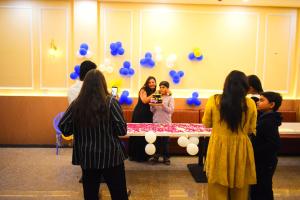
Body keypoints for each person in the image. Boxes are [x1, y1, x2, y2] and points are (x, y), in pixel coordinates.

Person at [59, 69, 129, 200]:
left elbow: (64, 127)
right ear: (103, 84)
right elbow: (122, 130)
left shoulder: (77, 104)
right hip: (111, 156)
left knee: (90, 195)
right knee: (119, 194)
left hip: (87, 157)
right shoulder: (111, 102)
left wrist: (77, 128)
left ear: (85, 85)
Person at [202, 70, 257, 200]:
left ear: (226, 84)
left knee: (217, 186)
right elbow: (251, 128)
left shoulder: (214, 100)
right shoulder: (250, 104)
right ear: (245, 86)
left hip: (218, 147)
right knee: (240, 187)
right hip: (241, 148)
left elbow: (207, 123)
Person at [67, 60, 97, 183]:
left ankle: (86, 175)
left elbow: (71, 108)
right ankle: (93, 177)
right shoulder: (92, 89)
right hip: (92, 125)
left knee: (84, 151)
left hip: (79, 126)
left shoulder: (71, 89)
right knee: (94, 152)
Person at [250, 92, 282, 200]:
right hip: (263, 161)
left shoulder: (268, 121)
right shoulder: (266, 118)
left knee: (263, 189)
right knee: (260, 188)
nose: (258, 102)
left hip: (264, 162)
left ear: (271, 105)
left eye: (262, 100)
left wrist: (254, 151)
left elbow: (275, 143)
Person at [128, 76, 157, 162]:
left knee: (146, 135)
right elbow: (144, 101)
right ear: (147, 83)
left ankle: (145, 155)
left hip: (149, 114)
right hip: (140, 113)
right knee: (138, 134)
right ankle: (136, 156)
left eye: (153, 82)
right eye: (150, 82)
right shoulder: (143, 89)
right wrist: (154, 94)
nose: (152, 84)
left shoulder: (154, 92)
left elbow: (154, 103)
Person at [149, 81, 174, 165]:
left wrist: (162, 104)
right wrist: (152, 105)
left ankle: (166, 158)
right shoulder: (156, 96)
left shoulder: (170, 98)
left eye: (163, 87)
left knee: (165, 141)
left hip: (166, 122)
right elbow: (152, 110)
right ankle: (156, 157)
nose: (161, 89)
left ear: (167, 88)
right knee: (157, 141)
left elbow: (171, 110)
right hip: (156, 121)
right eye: (160, 87)